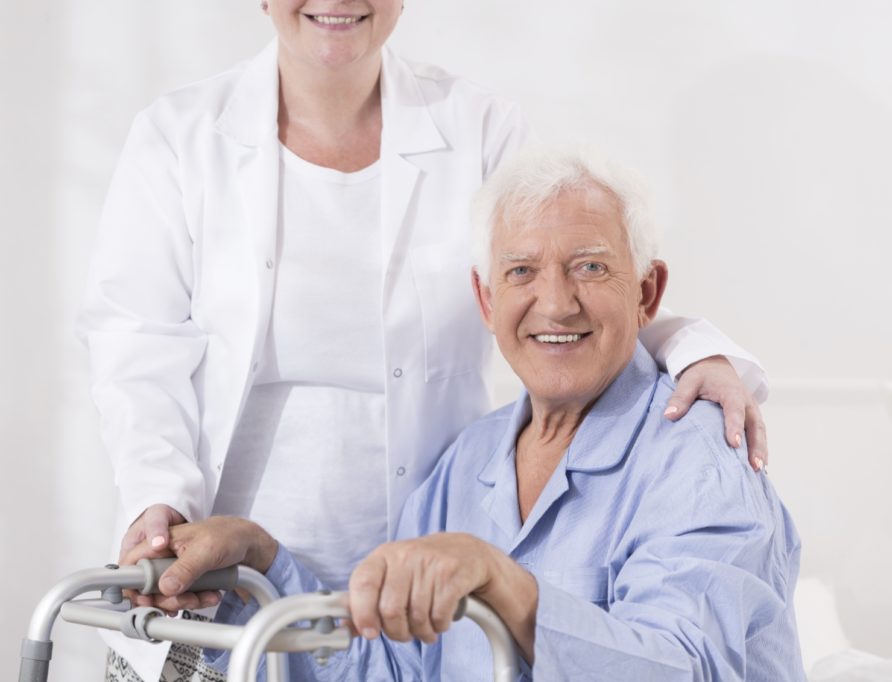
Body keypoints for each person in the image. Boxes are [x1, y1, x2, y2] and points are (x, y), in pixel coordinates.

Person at [81, 2, 770, 679]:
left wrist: (693, 348)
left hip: (413, 559)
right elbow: (133, 340)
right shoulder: (179, 134)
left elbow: (565, 254)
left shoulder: (477, 124)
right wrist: (164, 502)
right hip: (225, 567)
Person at [134, 148, 804, 681]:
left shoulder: (701, 458)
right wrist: (261, 566)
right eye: (521, 273)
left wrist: (506, 585)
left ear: (648, 291)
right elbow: (388, 670)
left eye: (591, 268)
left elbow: (687, 669)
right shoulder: (468, 465)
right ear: (486, 302)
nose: (556, 304)